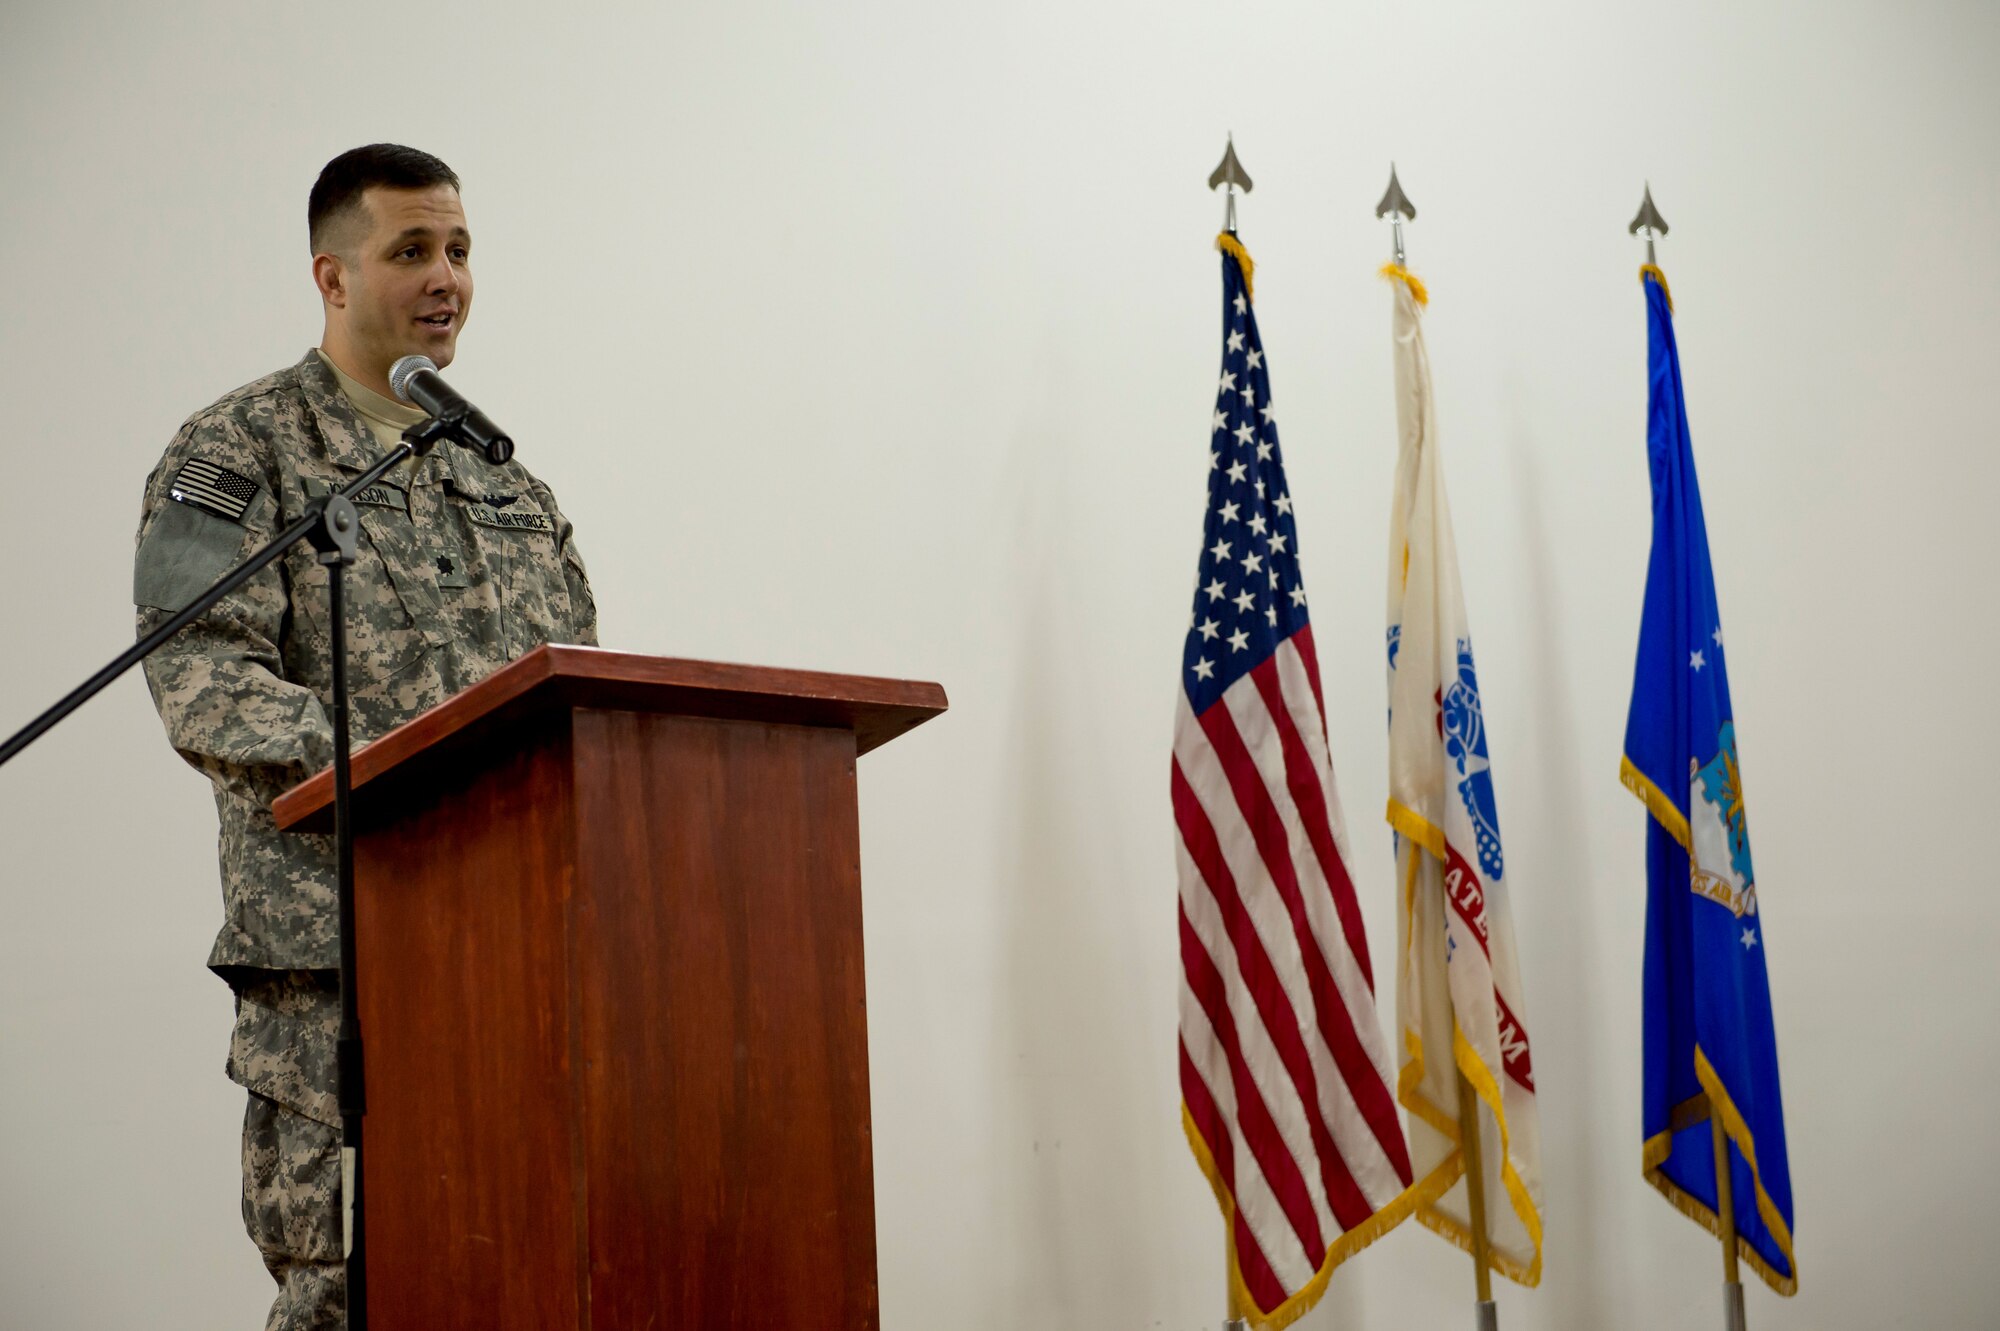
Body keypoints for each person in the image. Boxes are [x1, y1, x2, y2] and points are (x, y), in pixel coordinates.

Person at [132, 143, 598, 1329]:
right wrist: (399, 764)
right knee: (353, 1291)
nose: (446, 277)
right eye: (411, 251)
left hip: (518, 967)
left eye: (458, 250)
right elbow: (198, 674)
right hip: (341, 972)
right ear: (331, 277)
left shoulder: (510, 484)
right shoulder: (235, 453)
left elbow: (582, 704)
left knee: (526, 1268)